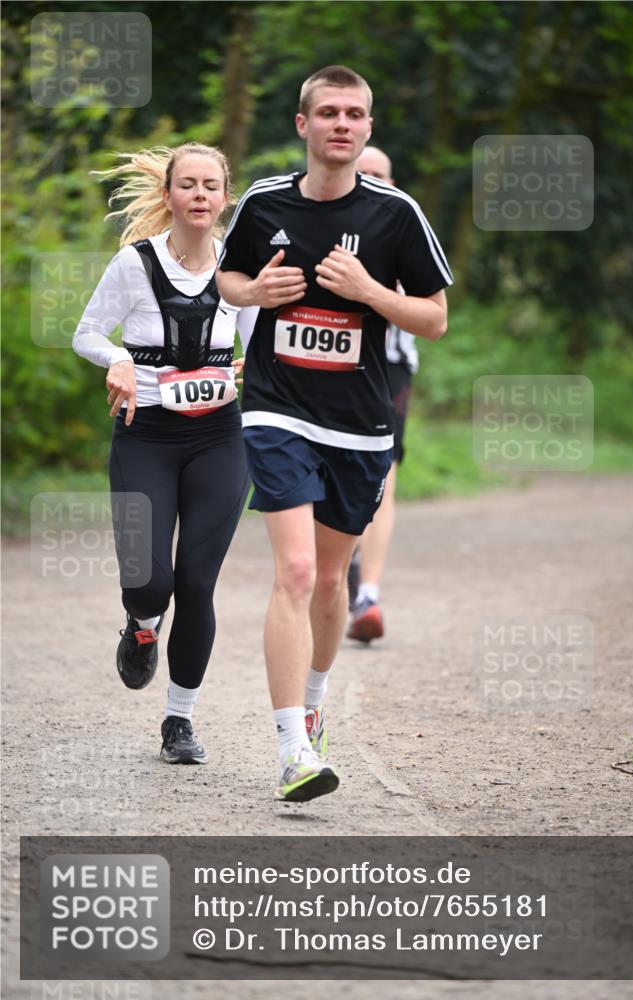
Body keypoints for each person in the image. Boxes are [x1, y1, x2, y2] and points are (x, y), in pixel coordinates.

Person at [218, 65, 453, 803]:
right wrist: (256, 291)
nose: (341, 124)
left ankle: (314, 705)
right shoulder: (263, 203)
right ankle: (293, 749)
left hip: (358, 423)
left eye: (354, 113)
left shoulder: (396, 213)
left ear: (368, 127)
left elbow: (434, 319)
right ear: (303, 124)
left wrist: (369, 292)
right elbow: (227, 279)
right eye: (328, 112)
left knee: (328, 581)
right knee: (293, 571)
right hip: (276, 407)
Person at [73, 143, 251, 765]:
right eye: (188, 184)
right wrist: (119, 358)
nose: (199, 195)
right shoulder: (135, 263)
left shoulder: (240, 268)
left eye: (211, 185)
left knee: (197, 583)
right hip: (144, 433)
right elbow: (87, 333)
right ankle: (142, 625)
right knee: (149, 581)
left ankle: (179, 721)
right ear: (169, 195)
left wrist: (257, 371)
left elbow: (262, 347)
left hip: (220, 438)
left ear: (224, 197)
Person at [346, 146, 420, 643]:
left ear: (392, 183)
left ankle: (368, 595)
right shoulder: (320, 218)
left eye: (380, 175)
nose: (372, 180)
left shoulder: (405, 227)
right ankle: (341, 567)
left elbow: (427, 309)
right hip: (325, 363)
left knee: (382, 476)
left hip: (388, 367)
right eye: (363, 173)